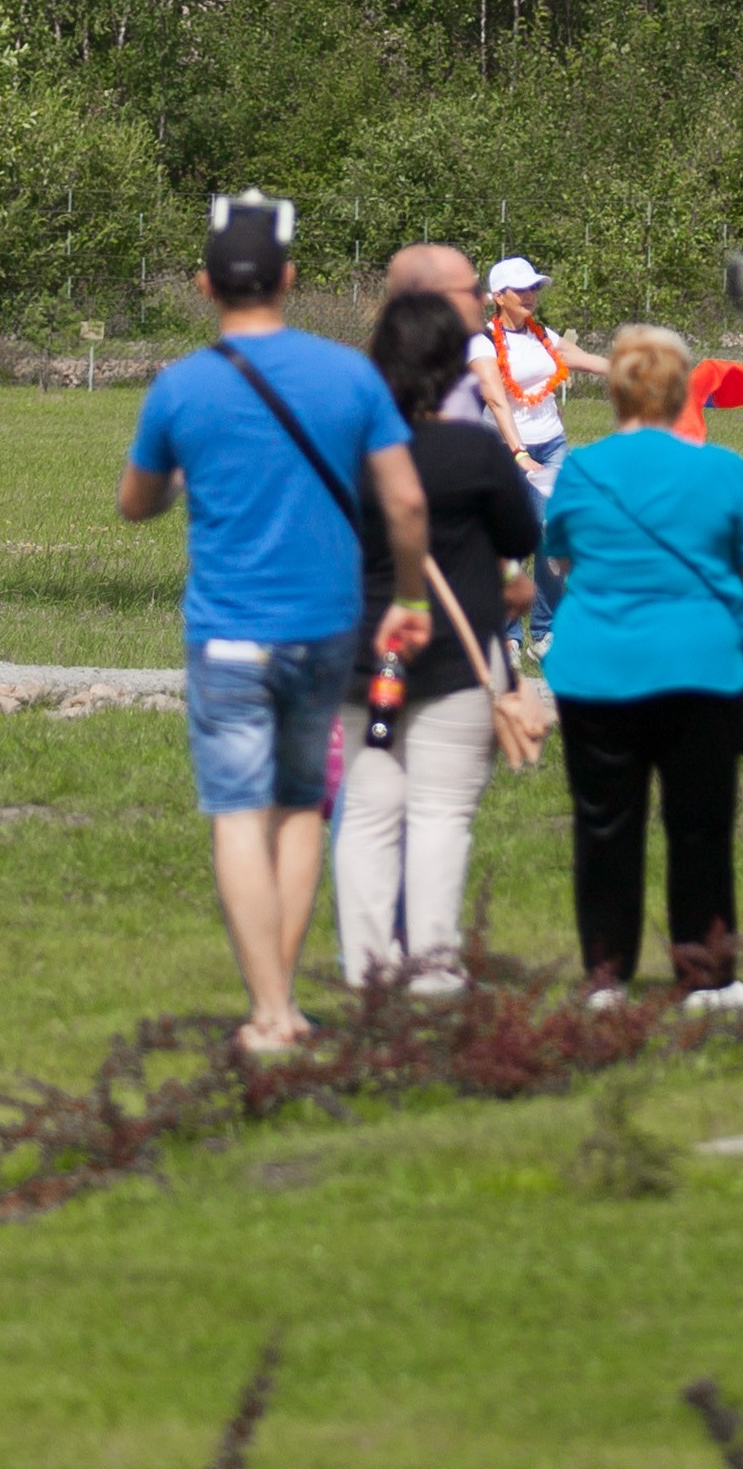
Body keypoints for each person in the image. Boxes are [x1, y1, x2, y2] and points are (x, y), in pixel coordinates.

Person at [120, 188, 432, 1053]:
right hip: (326, 628)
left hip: (225, 630)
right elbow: (405, 501)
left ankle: (266, 1012)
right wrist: (407, 598)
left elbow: (135, 502)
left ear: (203, 284)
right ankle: (286, 998)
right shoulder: (350, 374)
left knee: (236, 813)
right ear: (289, 279)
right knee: (301, 806)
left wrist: (180, 479)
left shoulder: (182, 385)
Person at [543, 322, 743, 1016]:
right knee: (701, 824)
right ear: (681, 391)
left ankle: (606, 976)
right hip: (701, 666)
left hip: (597, 669)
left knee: (604, 824)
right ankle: (706, 975)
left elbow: (559, 557)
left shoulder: (581, 468)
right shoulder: (721, 468)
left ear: (613, 389)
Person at [335, 288, 541, 998]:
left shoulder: (350, 450)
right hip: (458, 653)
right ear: (457, 367)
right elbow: (522, 536)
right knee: (440, 813)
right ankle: (434, 966)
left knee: (367, 810)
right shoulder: (474, 449)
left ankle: (368, 965)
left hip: (365, 651)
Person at [471, 258, 590, 501]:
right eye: (520, 289)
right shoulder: (483, 342)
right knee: (524, 526)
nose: (529, 296)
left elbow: (588, 360)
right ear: (499, 297)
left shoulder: (543, 334)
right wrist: (520, 453)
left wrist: (638, 368)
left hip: (554, 443)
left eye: (533, 288)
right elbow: (496, 402)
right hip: (507, 449)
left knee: (558, 517)